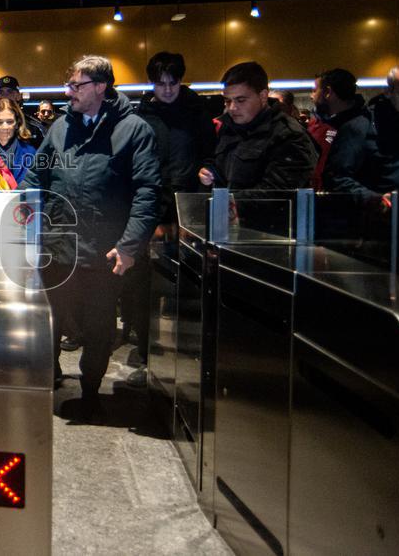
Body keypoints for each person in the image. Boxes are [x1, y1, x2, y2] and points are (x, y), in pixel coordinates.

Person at [24, 55, 160, 422]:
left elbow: (148, 191)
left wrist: (131, 244)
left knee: (99, 329)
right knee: (47, 320)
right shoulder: (60, 128)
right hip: (57, 245)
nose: (69, 92)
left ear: (101, 87)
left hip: (104, 249)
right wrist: (27, 220)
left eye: (77, 86)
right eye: (69, 85)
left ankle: (90, 391)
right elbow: (35, 178)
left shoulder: (133, 129)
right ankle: (47, 377)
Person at [125, 52, 217, 387]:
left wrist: (209, 171)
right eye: (160, 83)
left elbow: (211, 153)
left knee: (187, 281)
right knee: (143, 282)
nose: (166, 89)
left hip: (188, 207)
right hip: (151, 204)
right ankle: (149, 349)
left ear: (180, 80)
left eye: (172, 83)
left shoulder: (198, 113)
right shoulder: (144, 115)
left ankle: (188, 351)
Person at [199, 62, 316, 190]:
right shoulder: (227, 127)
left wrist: (229, 205)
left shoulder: (288, 134)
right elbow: (221, 167)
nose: (232, 108)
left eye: (241, 100)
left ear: (263, 96)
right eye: (227, 101)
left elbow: (276, 194)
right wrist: (210, 172)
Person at [310, 69, 383, 198]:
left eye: (315, 91)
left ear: (328, 92)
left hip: (350, 209)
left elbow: (338, 176)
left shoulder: (355, 127)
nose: (312, 96)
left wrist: (374, 200)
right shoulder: (324, 124)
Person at [367, 65, 399, 191]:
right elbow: (341, 174)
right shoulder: (366, 123)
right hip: (385, 204)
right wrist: (373, 199)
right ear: (388, 92)